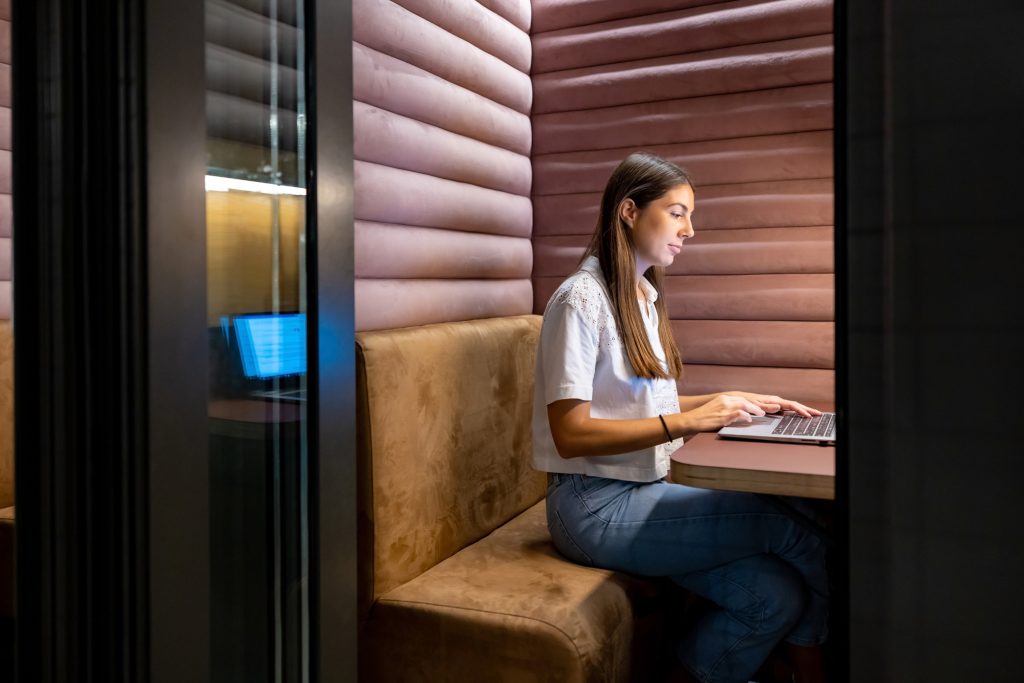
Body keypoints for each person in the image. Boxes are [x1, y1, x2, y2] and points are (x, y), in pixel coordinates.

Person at [533, 152, 829, 683]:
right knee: (792, 527)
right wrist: (691, 422)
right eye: (677, 212)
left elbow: (646, 407)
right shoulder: (579, 299)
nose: (690, 230)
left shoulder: (641, 297)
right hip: (590, 506)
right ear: (628, 210)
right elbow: (570, 433)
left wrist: (732, 401)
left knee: (775, 596)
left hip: (640, 487)